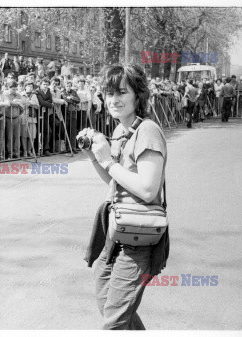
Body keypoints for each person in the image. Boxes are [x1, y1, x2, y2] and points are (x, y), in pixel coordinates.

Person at [81, 63, 168, 330]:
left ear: (138, 96)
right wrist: (95, 158)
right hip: (115, 230)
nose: (114, 100)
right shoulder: (120, 131)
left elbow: (147, 189)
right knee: (110, 307)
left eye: (121, 92)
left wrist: (108, 162)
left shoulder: (148, 130)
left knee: (115, 323)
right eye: (109, 94)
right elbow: (116, 181)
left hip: (138, 237)